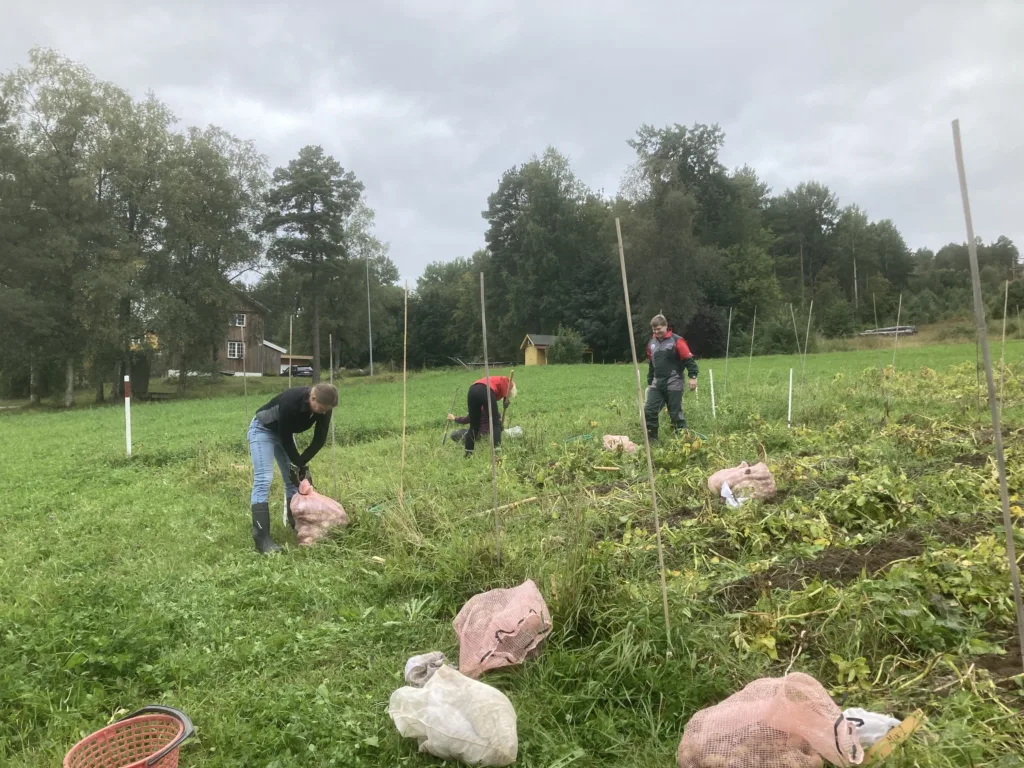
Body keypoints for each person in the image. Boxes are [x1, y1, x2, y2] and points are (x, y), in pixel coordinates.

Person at [247, 382, 338, 554]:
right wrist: (298, 463)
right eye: (321, 408)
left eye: (327, 410)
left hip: (283, 432)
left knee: (294, 480)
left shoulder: (325, 406)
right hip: (263, 430)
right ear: (313, 398)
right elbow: (286, 437)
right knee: (264, 479)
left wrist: (301, 464)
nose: (324, 412)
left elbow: (319, 439)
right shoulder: (291, 401)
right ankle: (262, 539)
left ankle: (298, 526)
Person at [645, 314, 698, 441]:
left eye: (659, 329)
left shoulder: (677, 340)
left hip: (674, 381)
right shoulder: (651, 343)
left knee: (675, 413)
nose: (656, 332)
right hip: (657, 383)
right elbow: (652, 364)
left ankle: (683, 441)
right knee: (649, 410)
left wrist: (693, 376)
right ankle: (652, 441)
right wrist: (650, 380)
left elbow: (688, 360)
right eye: (654, 330)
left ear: (666, 326)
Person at [462, 375, 516, 458]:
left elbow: (487, 410)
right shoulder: (507, 381)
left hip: (472, 390)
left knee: (474, 426)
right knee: (495, 424)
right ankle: (497, 453)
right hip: (485, 390)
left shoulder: (491, 382)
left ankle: (468, 453)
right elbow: (504, 381)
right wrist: (506, 398)